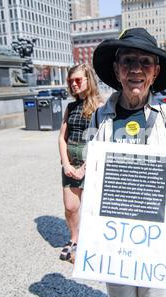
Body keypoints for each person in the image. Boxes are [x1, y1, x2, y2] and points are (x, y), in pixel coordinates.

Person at [88, 28, 166, 297]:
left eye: (145, 63)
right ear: (117, 69)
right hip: (114, 235)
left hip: (154, 234)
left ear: (155, 72)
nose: (136, 69)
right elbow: (93, 172)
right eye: (128, 60)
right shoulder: (99, 118)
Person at [58, 64, 102, 262]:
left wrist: (85, 168)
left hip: (92, 163)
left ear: (89, 81)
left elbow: (101, 140)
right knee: (70, 207)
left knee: (93, 208)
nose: (73, 84)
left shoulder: (101, 107)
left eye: (78, 80)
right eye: (70, 81)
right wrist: (66, 164)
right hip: (71, 162)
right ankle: (75, 238)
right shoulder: (71, 106)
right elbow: (62, 137)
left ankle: (91, 245)